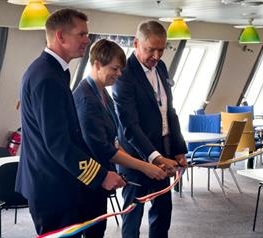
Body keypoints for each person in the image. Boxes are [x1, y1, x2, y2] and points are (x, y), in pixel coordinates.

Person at [14, 9, 126, 237]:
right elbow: (58, 143)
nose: (88, 40)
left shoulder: (51, 71)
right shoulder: (47, 77)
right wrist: (101, 176)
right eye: (81, 34)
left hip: (55, 180)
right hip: (51, 184)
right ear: (60, 36)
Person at [73, 39, 167, 237]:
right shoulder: (86, 98)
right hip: (86, 181)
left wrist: (149, 162)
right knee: (92, 231)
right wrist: (145, 166)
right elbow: (104, 149)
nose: (119, 74)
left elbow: (113, 141)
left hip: (99, 177)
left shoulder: (101, 93)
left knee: (98, 230)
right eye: (114, 69)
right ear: (97, 64)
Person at [112, 20, 188, 238]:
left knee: (162, 213)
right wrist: (155, 158)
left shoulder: (161, 67)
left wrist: (178, 149)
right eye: (150, 49)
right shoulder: (123, 74)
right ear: (136, 44)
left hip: (163, 150)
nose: (156, 56)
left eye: (161, 49)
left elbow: (169, 111)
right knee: (133, 215)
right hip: (136, 156)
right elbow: (129, 126)